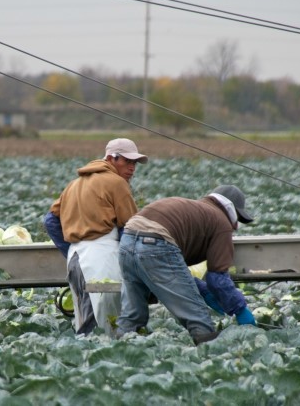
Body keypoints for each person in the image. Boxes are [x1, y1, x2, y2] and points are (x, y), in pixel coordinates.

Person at [116, 185, 257, 345]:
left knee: (132, 315)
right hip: (156, 242)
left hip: (126, 241)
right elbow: (218, 280)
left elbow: (170, 270)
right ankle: (208, 350)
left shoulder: (196, 209)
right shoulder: (221, 222)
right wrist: (239, 309)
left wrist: (202, 290)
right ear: (233, 212)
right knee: (198, 317)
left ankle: (120, 346)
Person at [44, 138, 148, 335]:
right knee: (105, 324)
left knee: (85, 318)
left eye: (134, 163)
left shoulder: (74, 184)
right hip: (102, 259)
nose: (132, 168)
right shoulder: (117, 183)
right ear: (111, 158)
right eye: (127, 161)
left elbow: (50, 221)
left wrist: (72, 248)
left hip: (75, 260)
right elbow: (131, 227)